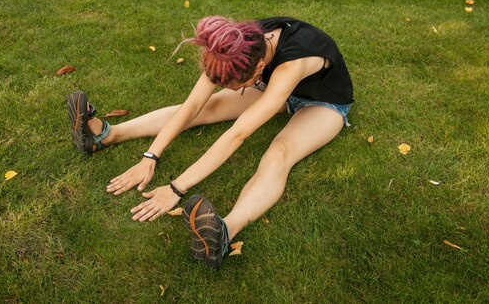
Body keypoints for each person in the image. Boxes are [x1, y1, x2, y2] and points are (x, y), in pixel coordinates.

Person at [67, 16, 354, 269]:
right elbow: (192, 106)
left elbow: (237, 135)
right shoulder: (234, 46)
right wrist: (150, 157)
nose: (228, 87)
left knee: (280, 152)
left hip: (322, 103)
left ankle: (223, 234)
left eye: (234, 85)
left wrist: (176, 188)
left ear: (259, 70)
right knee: (211, 106)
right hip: (274, 88)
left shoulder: (294, 61)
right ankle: (105, 135)